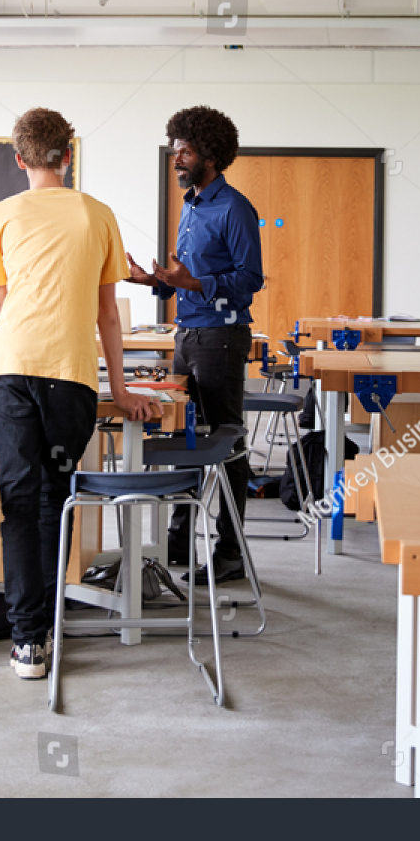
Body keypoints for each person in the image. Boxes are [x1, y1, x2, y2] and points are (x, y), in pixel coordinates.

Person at [0, 108, 158, 680]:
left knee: (16, 504)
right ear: (69, 154)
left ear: (19, 160)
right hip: (70, 377)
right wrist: (123, 387)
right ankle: (46, 624)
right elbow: (109, 315)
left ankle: (27, 640)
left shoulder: (0, 216)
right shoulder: (97, 213)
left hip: (10, 373)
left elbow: (3, 309)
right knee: (53, 500)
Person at [126, 106, 263, 585]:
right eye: (174, 150)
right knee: (187, 436)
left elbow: (250, 281)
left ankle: (230, 553)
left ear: (209, 154)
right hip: (186, 334)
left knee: (225, 441)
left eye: (184, 151)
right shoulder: (192, 204)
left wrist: (196, 282)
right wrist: (156, 282)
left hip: (221, 338)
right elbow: (185, 278)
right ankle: (180, 541)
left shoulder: (235, 207)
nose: (176, 159)